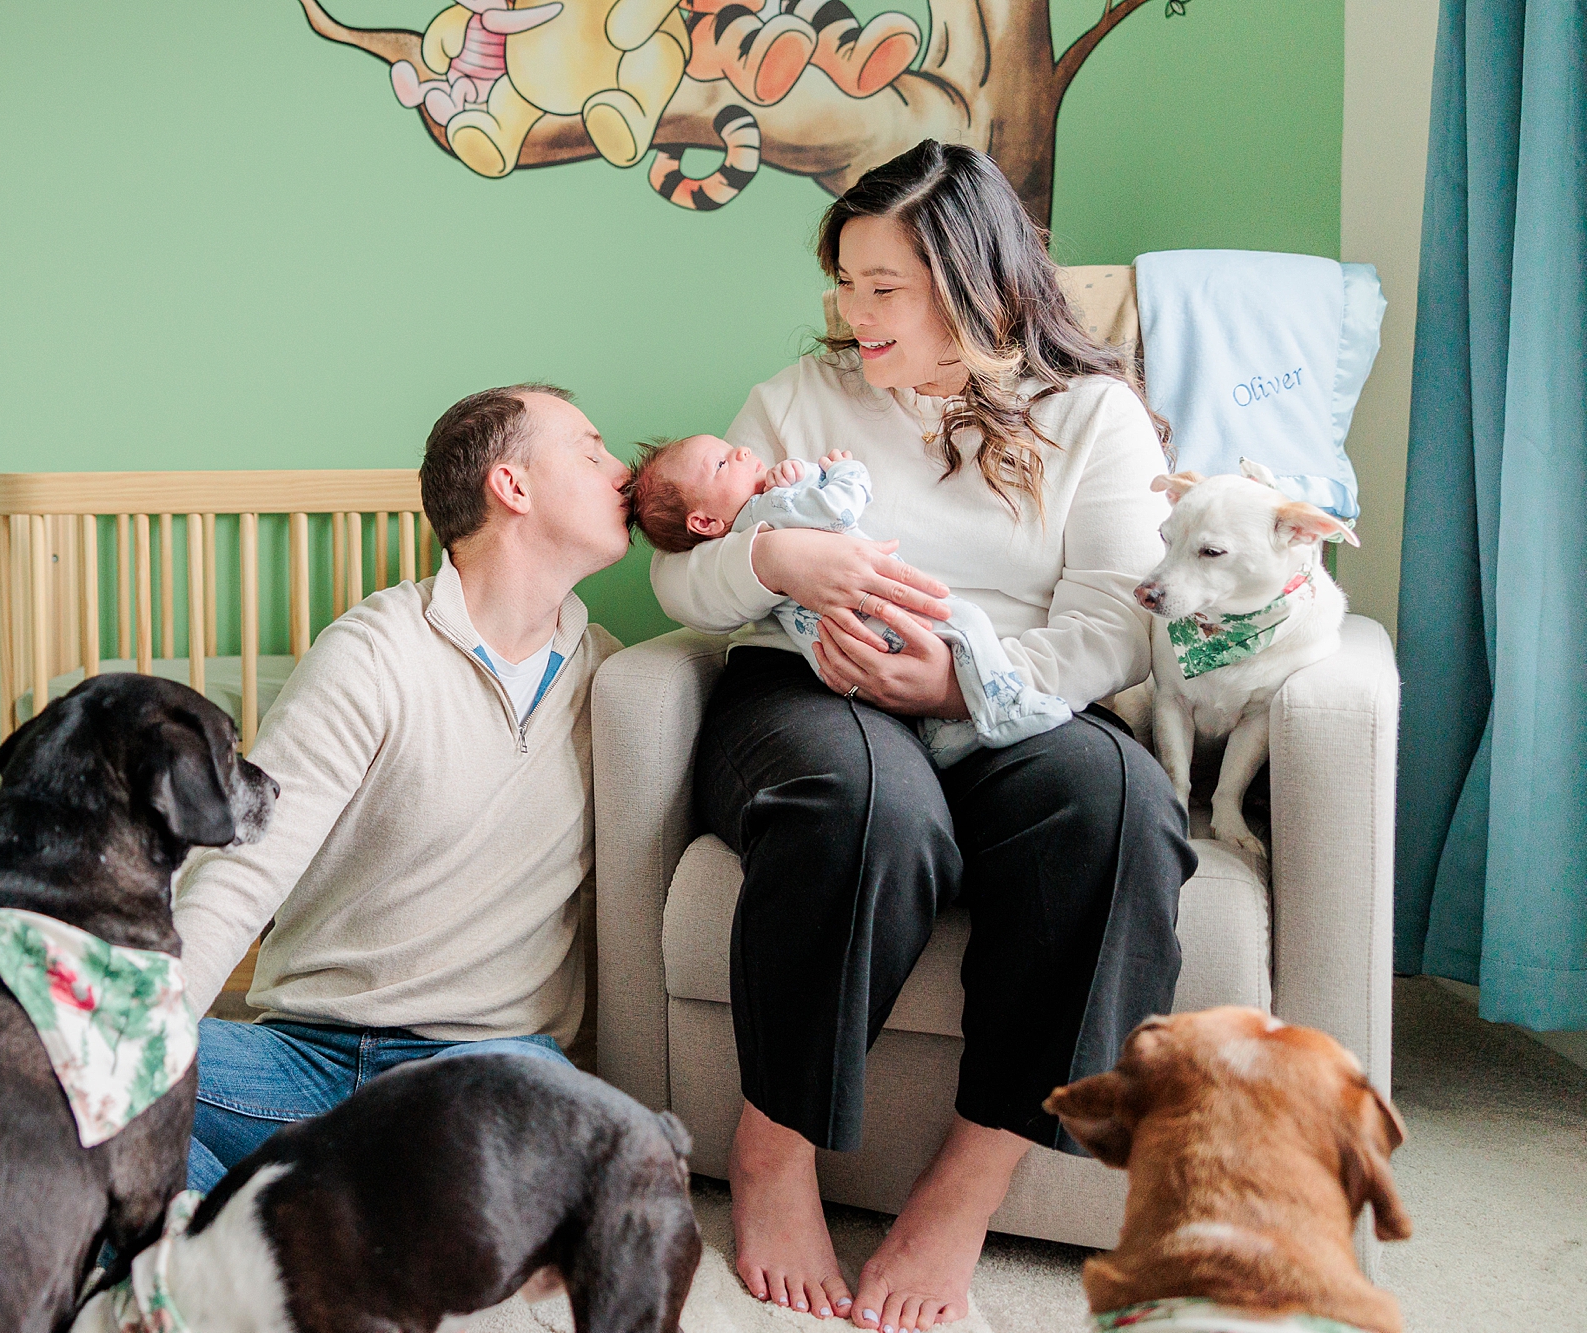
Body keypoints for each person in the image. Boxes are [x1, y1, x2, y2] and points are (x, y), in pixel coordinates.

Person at [649, 141, 1198, 1331]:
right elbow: (679, 586)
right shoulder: (799, 400)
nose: (852, 312)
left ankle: (963, 1187)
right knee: (865, 808)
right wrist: (766, 556)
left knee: (1121, 810)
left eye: (881, 285)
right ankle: (773, 1152)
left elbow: (1112, 622)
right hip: (810, 690)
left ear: (972, 278)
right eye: (844, 282)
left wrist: (957, 686)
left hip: (1008, 696)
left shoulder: (1091, 414)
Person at [171, 383, 630, 1192]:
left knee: (534, 1144)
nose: (621, 470)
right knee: (52, 1073)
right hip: (301, 1059)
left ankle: (268, 1223)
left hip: (480, 1072)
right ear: (512, 486)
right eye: (591, 451)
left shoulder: (613, 679)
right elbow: (244, 866)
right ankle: (225, 1247)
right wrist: (144, 1043)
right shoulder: (373, 651)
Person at [622, 436, 1073, 765]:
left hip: (838, 649)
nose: (739, 451)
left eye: (728, 447)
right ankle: (1006, 707)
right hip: (872, 615)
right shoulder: (768, 508)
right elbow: (837, 509)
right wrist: (843, 470)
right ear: (703, 523)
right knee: (968, 622)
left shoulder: (746, 526)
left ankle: (945, 730)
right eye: (721, 464)